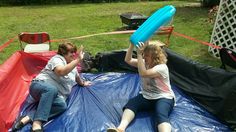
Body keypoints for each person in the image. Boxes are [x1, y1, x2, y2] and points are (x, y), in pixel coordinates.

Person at [11, 42, 92, 132]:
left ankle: (27, 118)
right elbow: (61, 72)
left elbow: (77, 77)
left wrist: (83, 83)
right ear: (63, 53)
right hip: (39, 86)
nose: (73, 54)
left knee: (61, 106)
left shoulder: (72, 67)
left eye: (74, 52)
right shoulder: (57, 59)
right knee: (51, 89)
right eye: (71, 52)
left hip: (53, 96)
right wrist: (77, 60)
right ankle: (37, 123)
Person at [107, 42, 175, 132]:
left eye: (146, 55)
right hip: (147, 95)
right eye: (144, 54)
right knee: (131, 105)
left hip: (163, 97)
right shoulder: (144, 63)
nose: (144, 57)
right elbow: (128, 60)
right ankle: (120, 128)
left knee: (161, 113)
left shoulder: (161, 68)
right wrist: (131, 45)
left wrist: (139, 54)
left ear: (155, 57)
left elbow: (144, 74)